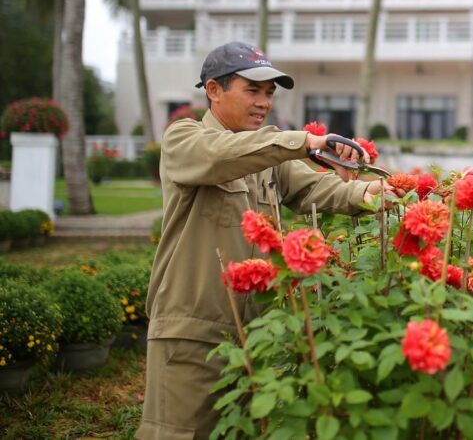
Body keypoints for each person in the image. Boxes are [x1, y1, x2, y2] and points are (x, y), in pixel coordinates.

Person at [137, 41, 397, 440]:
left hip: (255, 332)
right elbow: (221, 155)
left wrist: (370, 193)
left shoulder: (265, 158)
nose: (264, 102)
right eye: (253, 90)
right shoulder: (184, 139)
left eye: (270, 93)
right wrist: (305, 142)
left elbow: (315, 188)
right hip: (192, 331)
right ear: (213, 90)